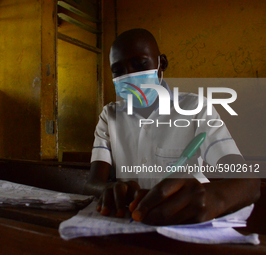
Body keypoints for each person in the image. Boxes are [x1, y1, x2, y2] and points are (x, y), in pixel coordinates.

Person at [83, 28, 260, 225]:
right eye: (118, 70)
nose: (130, 76)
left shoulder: (195, 108)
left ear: (162, 64)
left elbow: (249, 182)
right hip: (128, 224)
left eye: (140, 64)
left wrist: (213, 198)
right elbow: (93, 183)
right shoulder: (110, 116)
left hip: (184, 225)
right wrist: (108, 189)